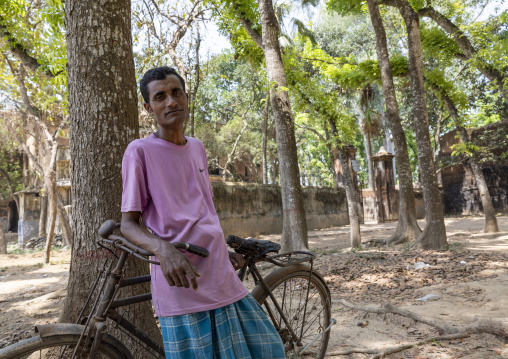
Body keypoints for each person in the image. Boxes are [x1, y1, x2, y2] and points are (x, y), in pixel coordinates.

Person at [120, 66, 285, 359]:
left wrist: (222, 248)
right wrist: (164, 250)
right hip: (182, 279)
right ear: (149, 107)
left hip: (220, 273)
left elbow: (205, 208)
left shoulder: (197, 147)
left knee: (268, 349)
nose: (170, 101)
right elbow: (128, 225)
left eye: (176, 92)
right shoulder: (139, 152)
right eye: (160, 97)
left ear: (186, 97)